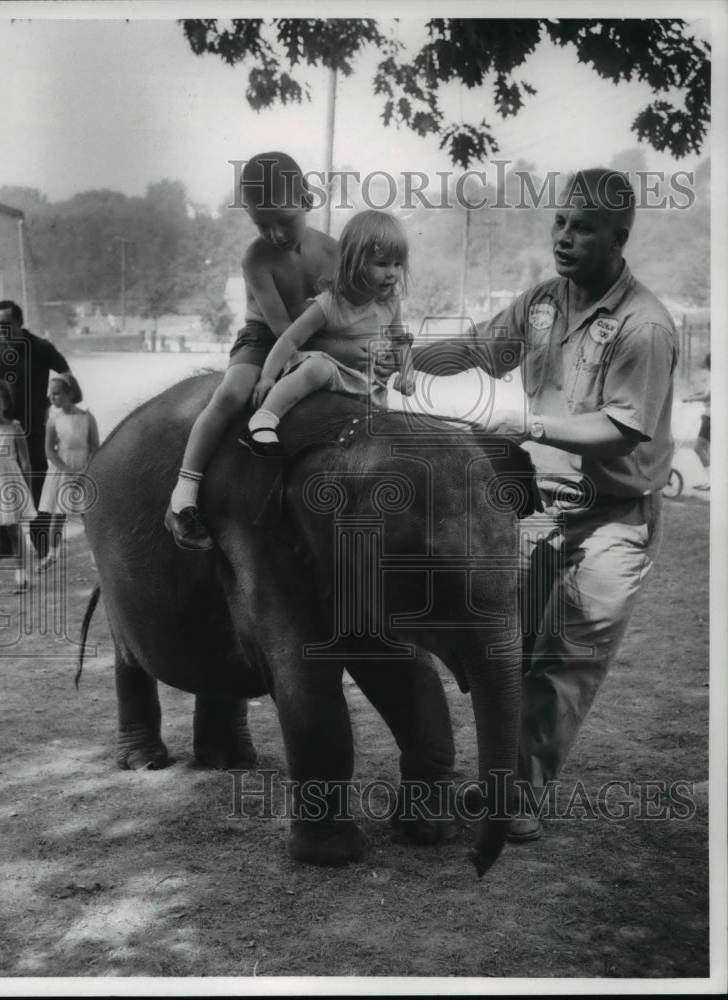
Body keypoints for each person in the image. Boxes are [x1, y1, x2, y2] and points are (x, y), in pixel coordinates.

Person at [417, 168, 678, 842]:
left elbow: (620, 428)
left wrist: (525, 427)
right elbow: (481, 346)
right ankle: (503, 787)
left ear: (618, 238)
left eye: (583, 227)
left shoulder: (642, 325)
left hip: (616, 517)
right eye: (560, 222)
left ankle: (514, 800)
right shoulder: (540, 303)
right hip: (540, 511)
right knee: (518, 647)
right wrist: (403, 354)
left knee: (564, 660)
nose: (564, 237)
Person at [165, 151, 349, 550]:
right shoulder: (256, 257)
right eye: (262, 225)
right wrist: (286, 363)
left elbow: (343, 310)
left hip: (315, 336)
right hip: (266, 337)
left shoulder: (335, 251)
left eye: (285, 221)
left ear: (307, 201)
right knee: (232, 393)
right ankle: (183, 493)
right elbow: (282, 327)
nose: (277, 235)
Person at [242, 210, 416, 455]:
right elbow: (291, 338)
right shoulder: (330, 303)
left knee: (382, 430)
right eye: (382, 264)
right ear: (355, 262)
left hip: (366, 383)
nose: (392, 273)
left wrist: (407, 372)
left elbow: (400, 340)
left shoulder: (389, 301)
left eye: (398, 264)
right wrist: (267, 377)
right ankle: (264, 418)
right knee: (318, 368)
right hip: (333, 372)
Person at [0, 300, 71, 556]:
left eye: (5, 324)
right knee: (1, 483)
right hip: (1, 429)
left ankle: (41, 542)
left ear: (20, 323)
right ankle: (7, 545)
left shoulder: (40, 347)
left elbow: (65, 373)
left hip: (34, 429)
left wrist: (55, 404)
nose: (0, 330)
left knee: (36, 482)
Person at [37, 373, 100, 571]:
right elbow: (49, 450)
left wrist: (84, 471)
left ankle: (95, 556)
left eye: (56, 394)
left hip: (84, 468)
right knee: (58, 514)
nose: (52, 398)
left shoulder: (87, 417)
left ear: (70, 393)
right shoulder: (53, 420)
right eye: (50, 394)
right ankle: (52, 554)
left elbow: (94, 447)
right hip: (62, 469)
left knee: (86, 514)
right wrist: (68, 471)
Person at [0, 378, 38, 593]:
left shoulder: (13, 428)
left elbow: (26, 463)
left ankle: (22, 576)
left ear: (5, 403)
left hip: (8, 482)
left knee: (14, 532)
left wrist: (29, 492)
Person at [682, 352, 710, 491]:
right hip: (710, 416)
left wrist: (691, 399)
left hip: (711, 417)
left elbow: (708, 396)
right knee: (704, 448)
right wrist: (690, 396)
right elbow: (705, 394)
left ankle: (711, 481)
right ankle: (710, 480)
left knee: (700, 447)